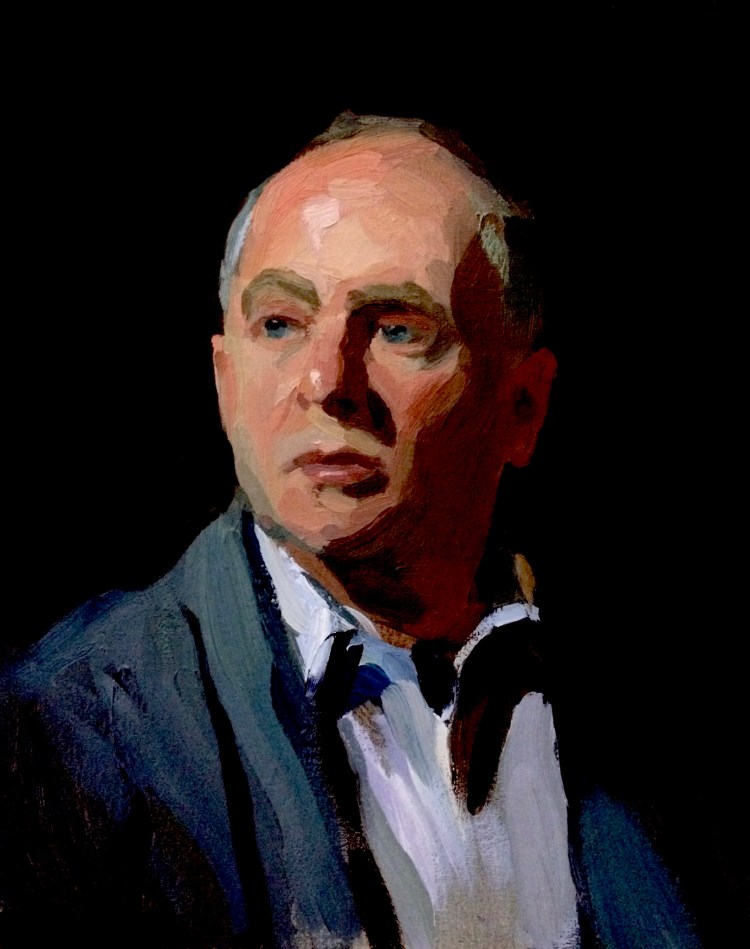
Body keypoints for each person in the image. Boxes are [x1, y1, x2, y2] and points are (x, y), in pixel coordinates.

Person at [1, 115, 701, 948]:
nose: (327, 380)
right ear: (224, 380)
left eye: (399, 328)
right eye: (279, 323)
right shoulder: (76, 726)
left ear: (523, 406)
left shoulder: (645, 711)